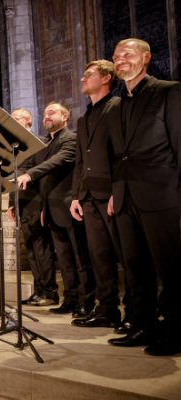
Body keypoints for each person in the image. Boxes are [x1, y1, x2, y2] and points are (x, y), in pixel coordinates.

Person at [104, 38, 181, 356]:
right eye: (116, 55)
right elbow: (118, 156)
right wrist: (114, 191)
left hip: (162, 194)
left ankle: (177, 332)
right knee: (136, 268)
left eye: (128, 54)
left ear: (146, 58)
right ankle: (142, 325)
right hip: (125, 196)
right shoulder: (117, 103)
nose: (121, 59)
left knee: (172, 269)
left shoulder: (168, 91)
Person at [16, 102, 94, 318]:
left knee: (80, 258)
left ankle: (86, 302)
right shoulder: (47, 143)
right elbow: (44, 180)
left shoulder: (69, 139)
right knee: (65, 259)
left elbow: (54, 163)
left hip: (69, 205)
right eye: (45, 113)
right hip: (51, 207)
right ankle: (70, 299)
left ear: (65, 116)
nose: (47, 116)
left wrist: (30, 173)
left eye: (52, 112)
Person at [69, 60, 127, 329]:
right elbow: (80, 161)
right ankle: (107, 310)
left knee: (128, 255)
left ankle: (140, 312)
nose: (83, 79)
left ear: (106, 78)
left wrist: (119, 190)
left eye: (88, 74)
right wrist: (76, 197)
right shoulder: (83, 118)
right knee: (99, 256)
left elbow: (122, 154)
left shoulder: (118, 107)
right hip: (90, 197)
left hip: (113, 195)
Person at [7, 108, 58, 306]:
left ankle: (50, 292)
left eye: (17, 119)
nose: (13, 122)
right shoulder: (15, 148)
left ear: (28, 121)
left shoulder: (39, 143)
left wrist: (45, 204)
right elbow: (14, 177)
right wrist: (12, 203)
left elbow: (44, 176)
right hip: (22, 202)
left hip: (37, 201)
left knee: (42, 248)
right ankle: (38, 291)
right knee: (30, 250)